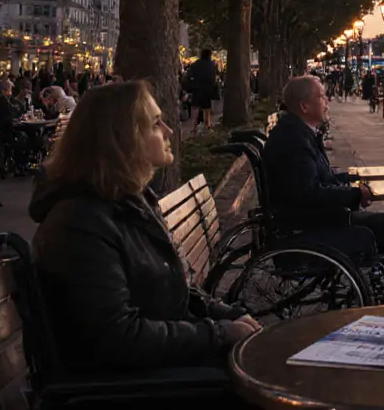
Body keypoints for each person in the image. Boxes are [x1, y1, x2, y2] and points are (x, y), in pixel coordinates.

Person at [29, 81, 260, 386]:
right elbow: (116, 338)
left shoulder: (128, 202)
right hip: (129, 386)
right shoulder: (80, 223)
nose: (169, 131)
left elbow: (170, 291)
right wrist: (219, 334)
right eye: (155, 124)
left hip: (155, 367)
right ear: (123, 139)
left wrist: (227, 315)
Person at [262, 75, 384, 303]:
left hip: (313, 221)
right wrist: (355, 194)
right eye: (322, 96)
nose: (327, 101)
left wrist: (354, 179)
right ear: (305, 106)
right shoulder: (295, 141)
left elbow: (318, 181)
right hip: (314, 228)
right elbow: (309, 194)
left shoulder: (296, 133)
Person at [185, 49, 218, 132]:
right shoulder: (212, 65)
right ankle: (208, 126)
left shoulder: (195, 64)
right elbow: (213, 78)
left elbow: (188, 76)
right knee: (207, 108)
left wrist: (191, 86)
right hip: (208, 89)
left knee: (195, 108)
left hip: (197, 89)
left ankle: (194, 127)